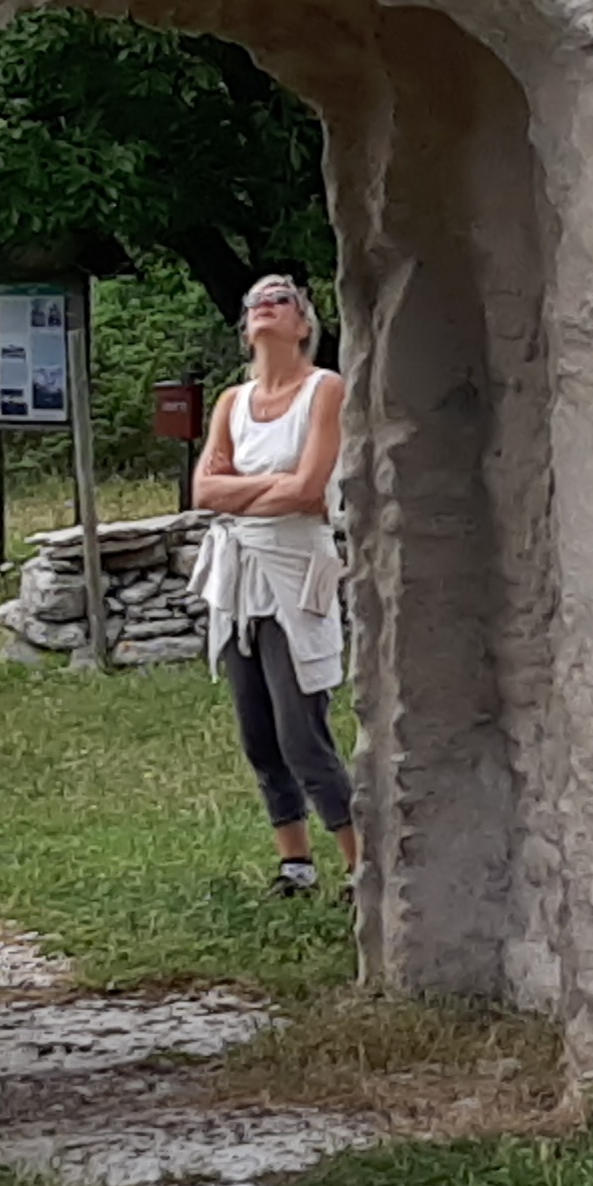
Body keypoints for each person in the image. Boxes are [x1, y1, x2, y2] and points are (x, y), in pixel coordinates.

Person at [188, 274, 358, 897]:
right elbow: (203, 491)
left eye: (280, 299)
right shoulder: (232, 402)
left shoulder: (323, 390)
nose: (266, 307)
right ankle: (295, 864)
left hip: (294, 569)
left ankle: (360, 863)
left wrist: (248, 493)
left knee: (301, 731)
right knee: (258, 732)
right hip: (239, 576)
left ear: (304, 324)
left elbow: (312, 488)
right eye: (255, 301)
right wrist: (273, 491)